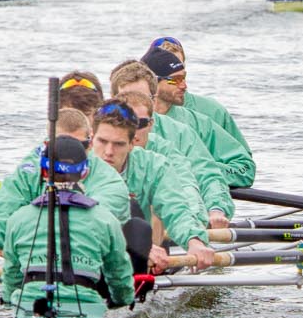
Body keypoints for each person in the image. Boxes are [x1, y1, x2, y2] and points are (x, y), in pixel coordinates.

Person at [0, 110, 135, 310]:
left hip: (92, 266)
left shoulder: (108, 179)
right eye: (59, 145)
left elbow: (95, 226)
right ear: (46, 146)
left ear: (89, 145)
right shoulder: (28, 171)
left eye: (78, 146)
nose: (67, 154)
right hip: (45, 265)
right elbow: (3, 209)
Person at [90, 98, 219, 273]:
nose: (109, 152)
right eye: (102, 141)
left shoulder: (154, 166)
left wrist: (194, 241)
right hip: (83, 250)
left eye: (118, 144)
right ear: (91, 139)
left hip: (129, 256)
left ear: (132, 143)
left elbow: (176, 209)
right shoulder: (73, 164)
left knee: (134, 216)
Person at [108, 60, 235, 222]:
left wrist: (216, 210)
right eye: (126, 99)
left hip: (171, 221)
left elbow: (204, 176)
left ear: (153, 100)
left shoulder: (179, 134)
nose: (134, 107)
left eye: (142, 98)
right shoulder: (100, 135)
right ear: (112, 101)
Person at [144, 37, 253, 185]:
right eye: (175, 79)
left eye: (184, 77)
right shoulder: (121, 118)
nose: (184, 85)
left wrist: (201, 170)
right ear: (152, 82)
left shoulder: (205, 117)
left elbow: (245, 167)